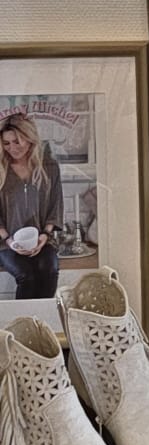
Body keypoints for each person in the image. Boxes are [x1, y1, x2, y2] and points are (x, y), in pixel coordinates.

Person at [0, 112, 64, 303]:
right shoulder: (1, 169)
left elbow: (56, 204)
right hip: (5, 242)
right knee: (26, 276)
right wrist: (9, 240)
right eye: (6, 143)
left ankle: (42, 319)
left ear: (29, 139)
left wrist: (45, 235)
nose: (12, 148)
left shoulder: (49, 167)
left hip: (43, 240)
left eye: (17, 141)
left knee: (50, 270)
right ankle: (23, 322)